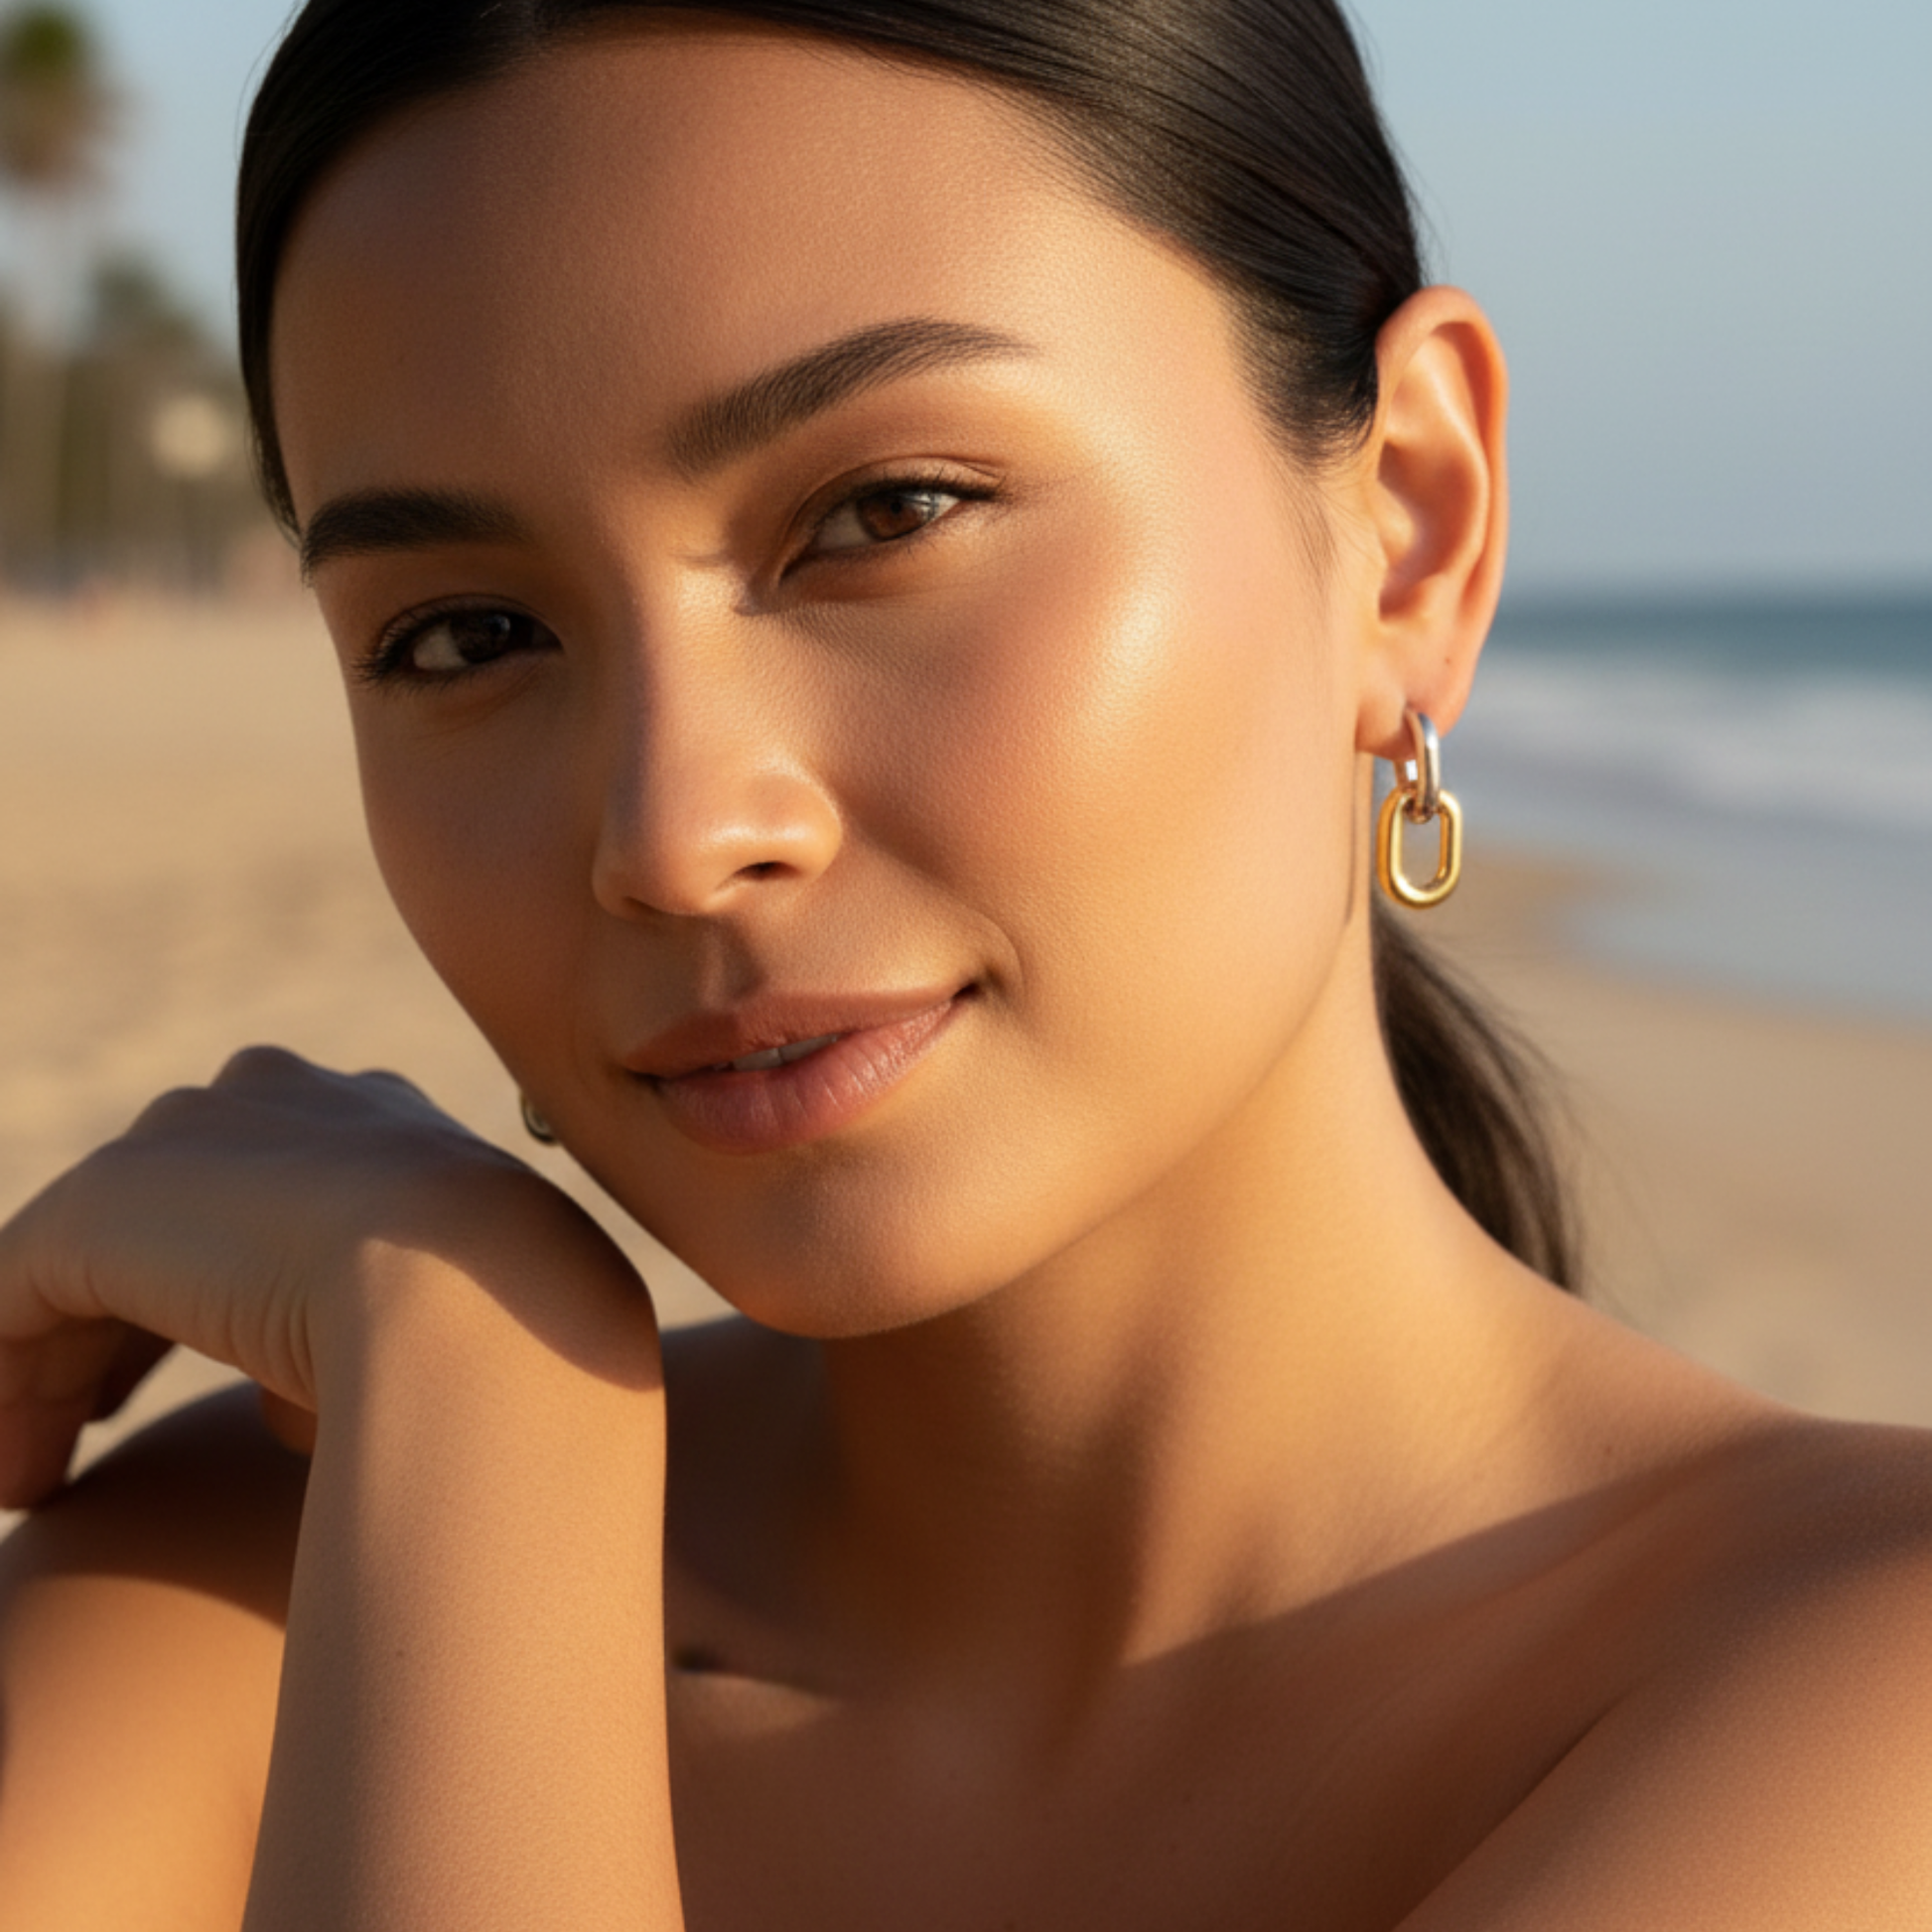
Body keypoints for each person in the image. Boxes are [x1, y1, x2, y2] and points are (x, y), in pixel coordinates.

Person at [1, 3, 1928, 1926]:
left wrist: (483, 1426)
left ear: (1411, 526)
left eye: (882, 513)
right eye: (466, 633)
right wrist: (484, 1390)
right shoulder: (253, 1592)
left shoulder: (1860, 1683)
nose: (669, 833)